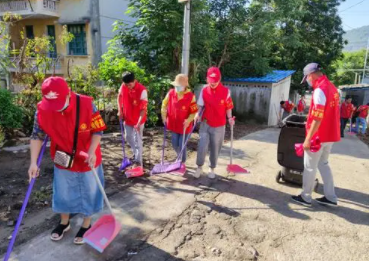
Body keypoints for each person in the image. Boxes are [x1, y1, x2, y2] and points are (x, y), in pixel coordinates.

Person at [28, 77, 106, 244]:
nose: (55, 108)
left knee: (89, 190)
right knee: (63, 190)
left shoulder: (86, 104)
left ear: (68, 93)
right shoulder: (41, 110)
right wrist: (33, 162)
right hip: (63, 154)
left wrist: (92, 151)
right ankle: (64, 222)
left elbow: (98, 131)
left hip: (87, 154)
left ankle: (86, 224)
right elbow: (37, 136)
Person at [292, 63, 340, 207]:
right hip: (330, 135)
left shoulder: (320, 90)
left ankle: (305, 196)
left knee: (310, 166)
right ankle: (331, 197)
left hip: (318, 137)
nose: (307, 81)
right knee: (324, 164)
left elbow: (318, 118)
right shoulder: (332, 87)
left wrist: (307, 139)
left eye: (306, 78)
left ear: (311, 75)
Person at [193, 67, 235, 179]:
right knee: (202, 145)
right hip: (205, 123)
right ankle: (199, 167)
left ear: (219, 79)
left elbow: (228, 107)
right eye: (211, 81)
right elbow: (200, 105)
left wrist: (230, 118)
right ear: (207, 79)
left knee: (215, 147)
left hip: (219, 125)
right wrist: (197, 114)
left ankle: (212, 168)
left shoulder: (226, 92)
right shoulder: (204, 90)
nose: (213, 83)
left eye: (215, 81)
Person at [161, 74, 198, 163]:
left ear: (185, 85)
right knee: (174, 144)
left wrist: (188, 120)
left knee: (182, 145)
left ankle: (182, 162)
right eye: (176, 86)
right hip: (174, 124)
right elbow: (164, 105)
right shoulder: (170, 93)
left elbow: (194, 112)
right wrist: (164, 116)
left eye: (179, 86)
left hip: (185, 125)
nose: (177, 87)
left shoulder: (191, 96)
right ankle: (179, 157)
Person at [117, 72, 148, 168]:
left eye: (130, 84)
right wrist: (120, 110)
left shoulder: (142, 90)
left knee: (138, 140)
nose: (128, 87)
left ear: (134, 81)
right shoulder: (124, 86)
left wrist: (138, 123)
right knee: (128, 137)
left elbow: (143, 109)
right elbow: (119, 96)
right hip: (128, 118)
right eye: (126, 85)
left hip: (139, 119)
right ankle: (136, 153)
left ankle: (138, 162)